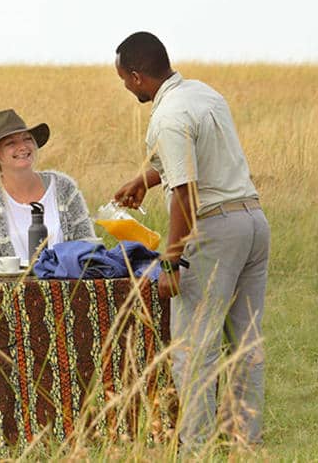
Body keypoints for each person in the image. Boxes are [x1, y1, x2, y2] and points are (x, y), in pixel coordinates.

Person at [112, 31, 270, 449]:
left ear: (137, 75)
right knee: (245, 340)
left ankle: (194, 447)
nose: (127, 89)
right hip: (253, 222)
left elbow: (186, 192)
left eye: (126, 81)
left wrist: (171, 261)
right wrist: (144, 180)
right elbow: (193, 163)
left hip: (214, 232)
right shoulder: (203, 94)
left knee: (193, 347)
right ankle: (243, 441)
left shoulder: (167, 116)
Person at [0, 109, 97, 266]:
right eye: (11, 143)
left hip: (67, 285)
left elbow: (88, 245)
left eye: (27, 139)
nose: (22, 147)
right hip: (10, 288)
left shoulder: (64, 187)